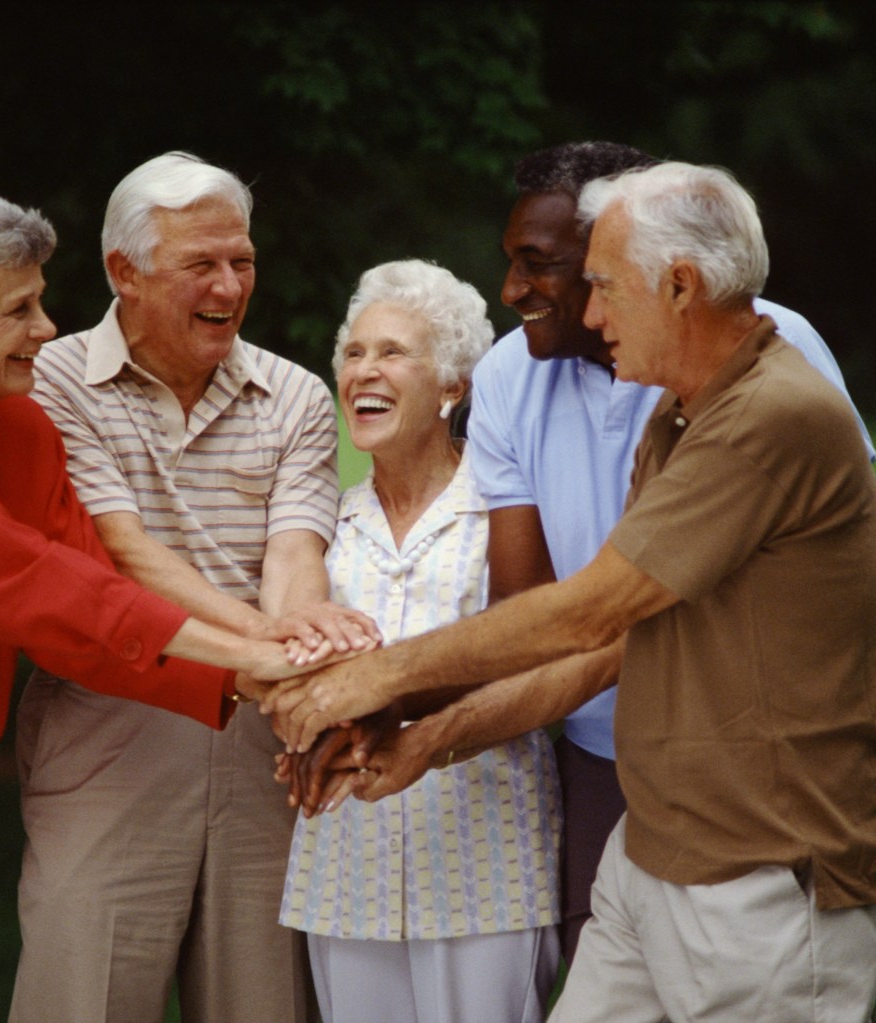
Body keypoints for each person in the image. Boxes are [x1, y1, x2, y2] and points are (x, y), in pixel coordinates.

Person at [263, 161, 876, 1021]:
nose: (590, 314)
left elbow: (594, 607)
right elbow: (608, 649)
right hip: (652, 852)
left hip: (762, 872)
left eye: (603, 286)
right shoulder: (678, 415)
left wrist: (375, 677)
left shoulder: (772, 415)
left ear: (679, 285)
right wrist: (427, 736)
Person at [0, 180, 314, 1023]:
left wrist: (249, 680)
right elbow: (31, 583)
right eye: (20, 309)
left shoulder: (16, 425)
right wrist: (256, 653)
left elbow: (87, 612)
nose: (47, 328)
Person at [9, 152, 376, 1023]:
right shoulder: (52, 380)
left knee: (265, 1004)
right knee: (81, 998)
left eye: (241, 260)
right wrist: (272, 650)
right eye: (200, 264)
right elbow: (124, 551)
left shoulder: (291, 394)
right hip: (110, 737)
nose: (229, 284)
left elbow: (295, 556)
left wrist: (294, 637)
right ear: (123, 272)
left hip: (262, 748)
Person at [279, 259, 561, 1023]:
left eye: (394, 352)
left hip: (486, 864)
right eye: (355, 352)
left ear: (452, 387)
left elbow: (537, 657)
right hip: (347, 865)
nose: (365, 370)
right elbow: (286, 655)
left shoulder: (505, 511)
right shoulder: (323, 521)